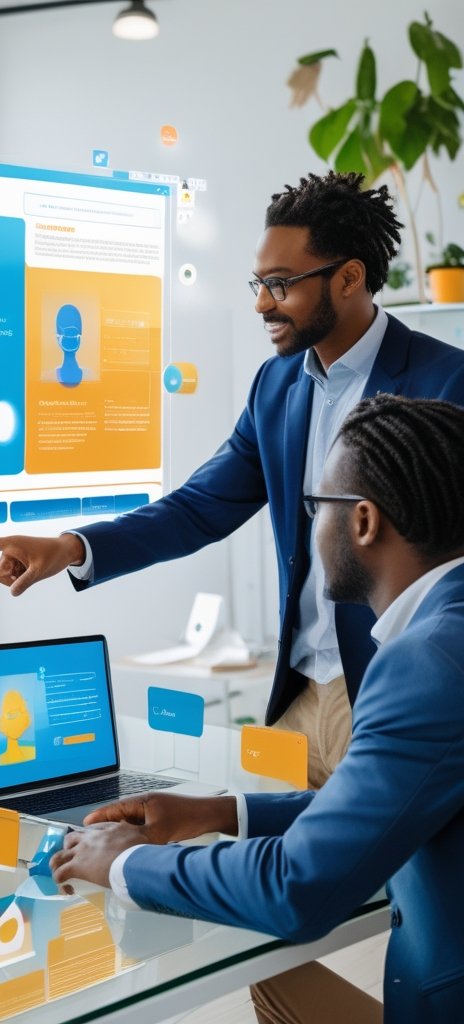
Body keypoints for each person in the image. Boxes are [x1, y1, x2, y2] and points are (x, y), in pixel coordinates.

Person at [0, 171, 464, 788]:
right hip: (300, 699)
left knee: (375, 880)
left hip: (390, 693)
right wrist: (73, 548)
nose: (261, 304)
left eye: (280, 285)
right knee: (256, 854)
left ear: (350, 278)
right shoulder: (275, 387)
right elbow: (201, 506)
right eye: (258, 283)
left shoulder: (444, 383)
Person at [51, 394, 464, 1024]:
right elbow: (385, 803)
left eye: (311, 509)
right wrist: (219, 811)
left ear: (363, 522)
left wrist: (127, 862)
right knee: (275, 982)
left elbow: (300, 887)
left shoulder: (427, 661)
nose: (302, 530)